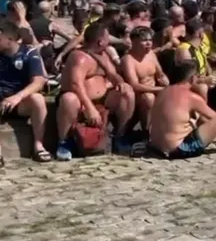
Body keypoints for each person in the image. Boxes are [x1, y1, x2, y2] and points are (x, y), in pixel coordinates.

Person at [56, 23, 136, 161]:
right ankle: (64, 142)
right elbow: (76, 85)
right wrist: (90, 108)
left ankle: (119, 136)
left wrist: (120, 82)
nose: (110, 41)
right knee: (69, 99)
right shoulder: (79, 57)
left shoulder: (103, 54)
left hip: (102, 98)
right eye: (107, 38)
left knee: (127, 92)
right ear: (100, 41)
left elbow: (113, 75)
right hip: (80, 100)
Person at [0, 20, 50, 162]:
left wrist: (17, 97)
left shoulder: (28, 53)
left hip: (19, 101)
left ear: (9, 39)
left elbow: (39, 81)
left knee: (38, 99)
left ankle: (38, 146)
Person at [120, 26, 169, 130]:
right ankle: (146, 132)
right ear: (134, 41)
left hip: (155, 89)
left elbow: (160, 73)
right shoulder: (128, 59)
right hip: (138, 96)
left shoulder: (151, 54)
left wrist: (164, 79)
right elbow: (135, 86)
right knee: (148, 98)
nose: (149, 43)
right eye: (144, 40)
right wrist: (160, 89)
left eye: (150, 40)